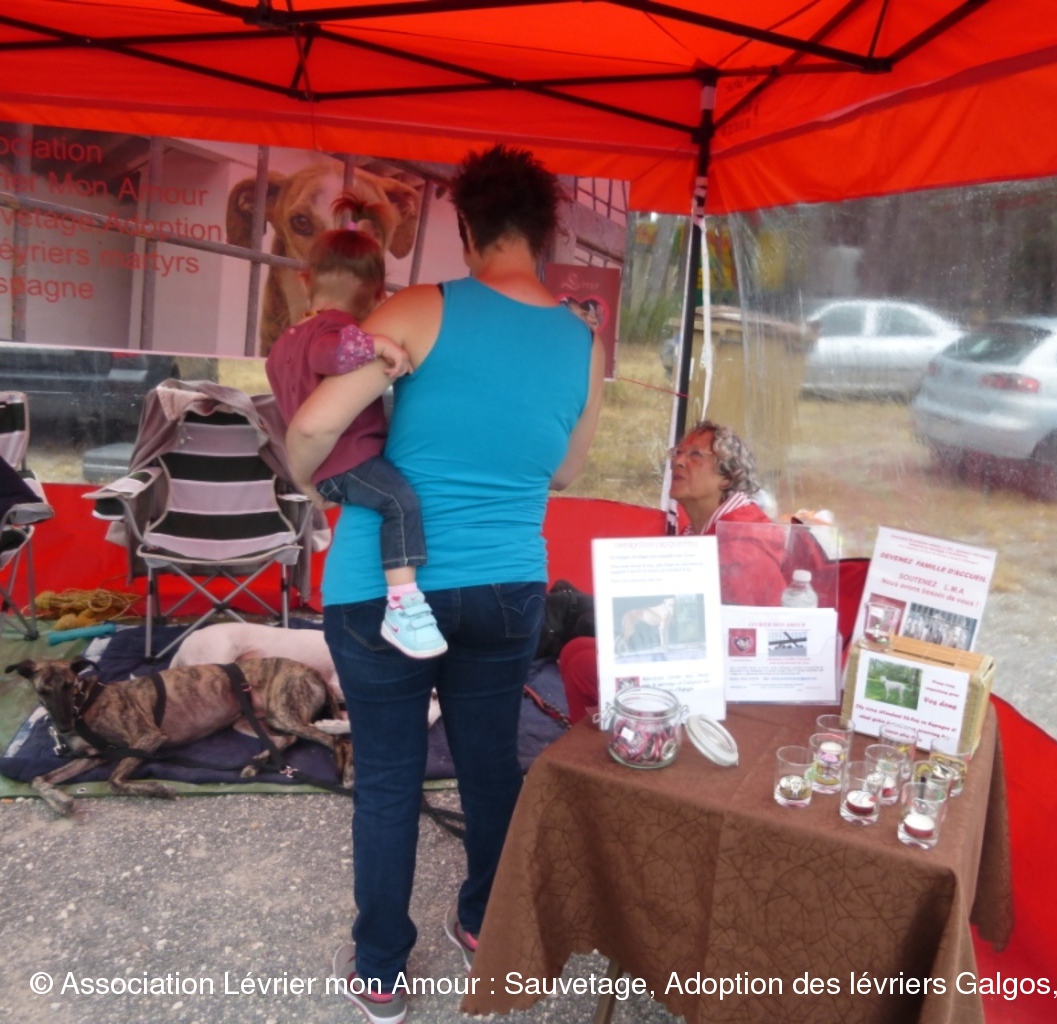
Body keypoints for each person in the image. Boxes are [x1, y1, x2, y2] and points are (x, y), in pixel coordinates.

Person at [285, 144, 604, 1023]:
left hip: (384, 584)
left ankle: (383, 970)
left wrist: (309, 478)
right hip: (508, 587)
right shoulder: (582, 342)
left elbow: (312, 427)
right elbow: (567, 471)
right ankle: (482, 923)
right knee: (488, 764)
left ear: (466, 228)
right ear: (544, 234)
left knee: (390, 777)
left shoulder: (421, 306)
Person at [266, 195, 447, 659]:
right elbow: (331, 352)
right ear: (379, 295)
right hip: (346, 462)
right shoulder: (337, 330)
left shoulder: (285, 343)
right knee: (400, 502)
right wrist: (378, 343)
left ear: (305, 279)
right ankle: (404, 605)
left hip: (323, 468)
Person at [558, 421, 788, 725]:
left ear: (727, 477)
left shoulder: (743, 547)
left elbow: (736, 649)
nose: (678, 461)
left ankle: (630, 740)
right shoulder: (703, 530)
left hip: (728, 688)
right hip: (695, 659)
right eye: (677, 453)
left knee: (584, 662)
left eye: (695, 455)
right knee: (577, 650)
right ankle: (616, 737)